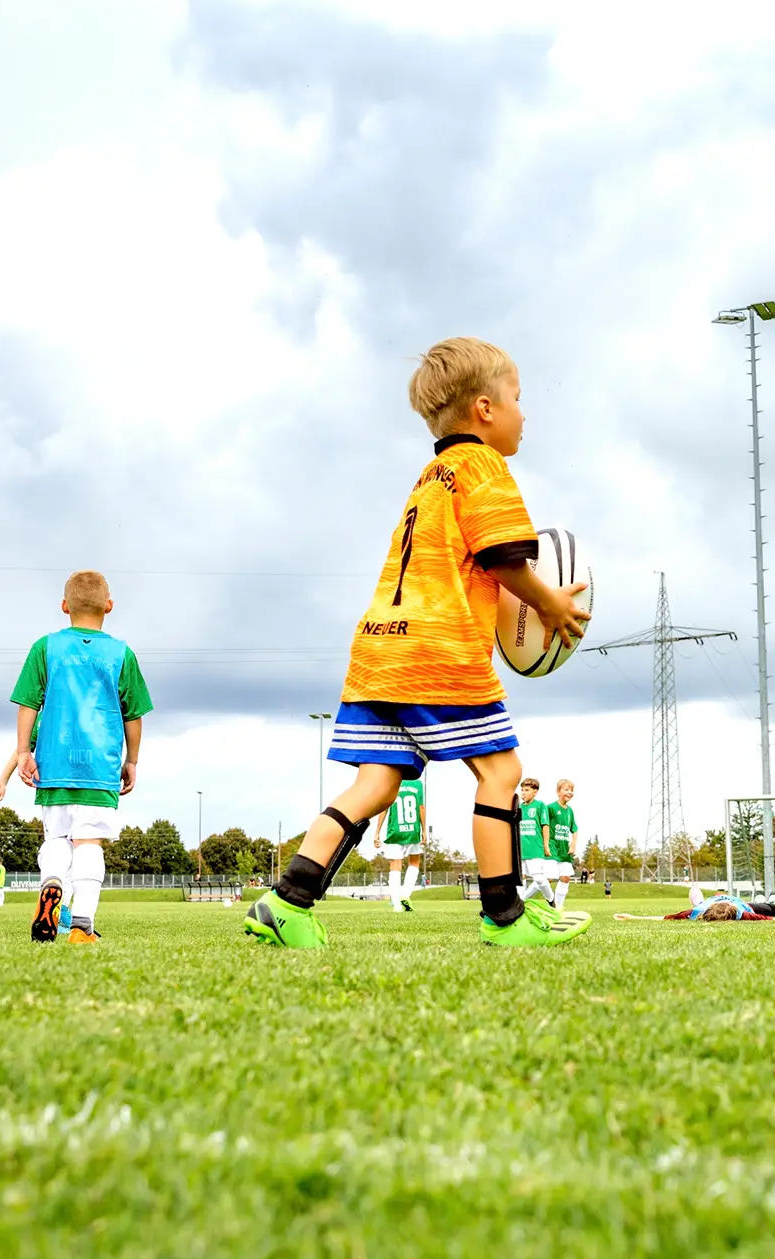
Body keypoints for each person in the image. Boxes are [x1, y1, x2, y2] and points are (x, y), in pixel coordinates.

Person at [245, 336, 593, 950]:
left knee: (377, 782)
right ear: (486, 408)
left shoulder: (429, 477)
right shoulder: (483, 466)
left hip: (380, 650)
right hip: (439, 649)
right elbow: (504, 556)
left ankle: (286, 901)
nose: (524, 411)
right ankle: (506, 916)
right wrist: (551, 604)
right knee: (502, 769)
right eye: (518, 398)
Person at [0, 569, 151, 945]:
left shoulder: (45, 647)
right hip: (99, 766)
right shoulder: (122, 653)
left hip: (55, 764)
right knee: (89, 843)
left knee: (56, 838)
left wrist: (25, 752)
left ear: (65, 607)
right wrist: (132, 761)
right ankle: (81, 926)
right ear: (109, 606)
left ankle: (52, 884)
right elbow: (134, 715)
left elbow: (27, 704)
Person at [380, 775, 427, 911]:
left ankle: (396, 905)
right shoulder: (417, 784)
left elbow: (384, 807)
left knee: (395, 865)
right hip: (413, 830)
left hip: (395, 830)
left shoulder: (391, 781)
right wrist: (424, 829)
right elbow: (421, 807)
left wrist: (377, 831)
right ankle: (405, 894)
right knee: (414, 862)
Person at [516, 777, 558, 905]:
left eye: (526, 790)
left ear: (535, 792)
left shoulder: (540, 806)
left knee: (539, 878)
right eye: (522, 790)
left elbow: (545, 825)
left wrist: (546, 845)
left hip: (535, 848)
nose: (523, 793)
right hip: (520, 849)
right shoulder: (518, 807)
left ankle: (551, 899)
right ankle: (519, 905)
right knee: (519, 878)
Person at [546, 778, 581, 909]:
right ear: (558, 791)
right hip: (552, 848)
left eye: (572, 790)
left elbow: (575, 829)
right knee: (548, 878)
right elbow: (542, 825)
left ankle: (558, 908)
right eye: (566, 789)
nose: (570, 792)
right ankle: (524, 899)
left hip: (564, 849)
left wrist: (573, 844)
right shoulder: (550, 808)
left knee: (565, 877)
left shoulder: (570, 810)